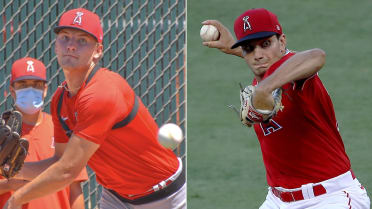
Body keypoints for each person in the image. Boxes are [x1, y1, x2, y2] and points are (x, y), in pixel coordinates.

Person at [4, 8, 186, 209]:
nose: (71, 46)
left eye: (82, 40)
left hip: (164, 196)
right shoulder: (60, 100)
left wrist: (16, 199)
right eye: (65, 37)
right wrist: (12, 168)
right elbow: (59, 161)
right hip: (116, 197)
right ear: (56, 45)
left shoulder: (102, 92)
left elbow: (67, 172)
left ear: (98, 51)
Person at [202, 8, 370, 209]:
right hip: (277, 201)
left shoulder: (297, 76)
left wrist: (264, 88)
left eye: (266, 44)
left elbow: (316, 56)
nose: (258, 55)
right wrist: (235, 48)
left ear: (282, 42)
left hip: (330, 198)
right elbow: (262, 62)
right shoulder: (261, 83)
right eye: (249, 48)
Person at [0, 57, 87, 209]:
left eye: (36, 84)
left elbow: (75, 188)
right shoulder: (3, 132)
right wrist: (10, 184)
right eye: (23, 84)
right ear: (12, 90)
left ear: (45, 89)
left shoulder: (62, 128)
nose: (30, 89)